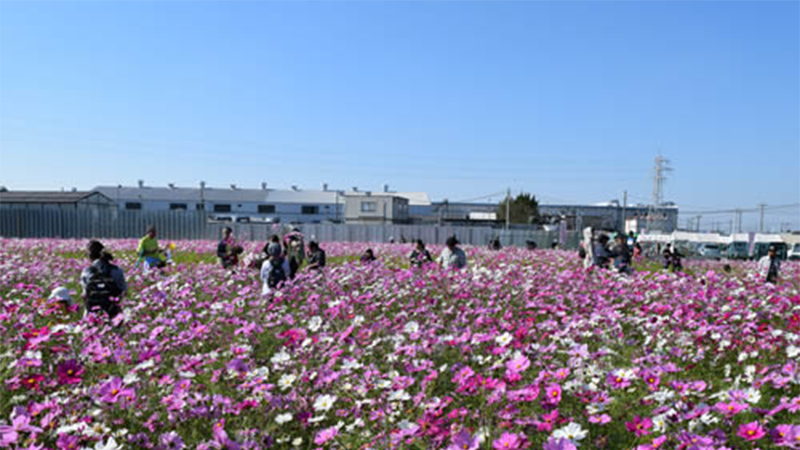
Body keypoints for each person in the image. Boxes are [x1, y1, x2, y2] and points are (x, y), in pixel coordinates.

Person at [80, 240, 127, 320]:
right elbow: (123, 291)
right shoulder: (116, 270)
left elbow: (85, 295)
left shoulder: (86, 272)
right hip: (113, 311)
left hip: (92, 313)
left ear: (89, 255)